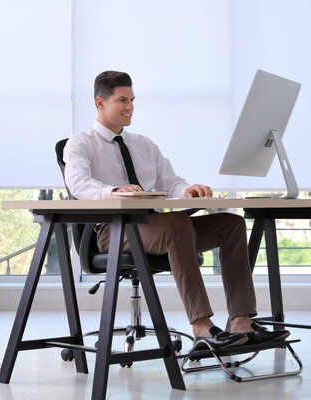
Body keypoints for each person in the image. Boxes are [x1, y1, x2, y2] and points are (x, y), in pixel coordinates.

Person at [63, 70, 289, 349]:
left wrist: (187, 191)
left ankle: (242, 322)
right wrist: (114, 191)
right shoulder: (81, 143)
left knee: (231, 224)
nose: (130, 107)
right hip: (114, 231)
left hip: (156, 227)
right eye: (122, 100)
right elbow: (78, 185)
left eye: (132, 99)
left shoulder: (143, 144)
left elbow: (170, 183)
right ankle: (202, 327)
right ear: (100, 103)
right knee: (177, 225)